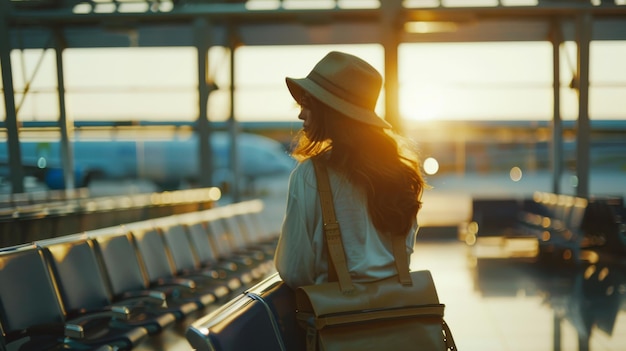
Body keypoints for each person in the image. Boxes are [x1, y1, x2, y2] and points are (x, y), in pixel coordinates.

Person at [274, 51, 427, 289]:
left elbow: (294, 271)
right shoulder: (401, 174)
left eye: (307, 103)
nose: (300, 113)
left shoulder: (309, 176)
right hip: (397, 319)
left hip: (340, 320)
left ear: (330, 110)